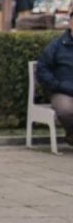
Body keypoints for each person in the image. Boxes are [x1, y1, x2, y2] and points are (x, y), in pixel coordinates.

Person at [37, 19, 73, 147]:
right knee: (65, 110)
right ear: (71, 24)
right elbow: (42, 70)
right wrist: (57, 85)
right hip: (61, 91)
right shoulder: (56, 46)